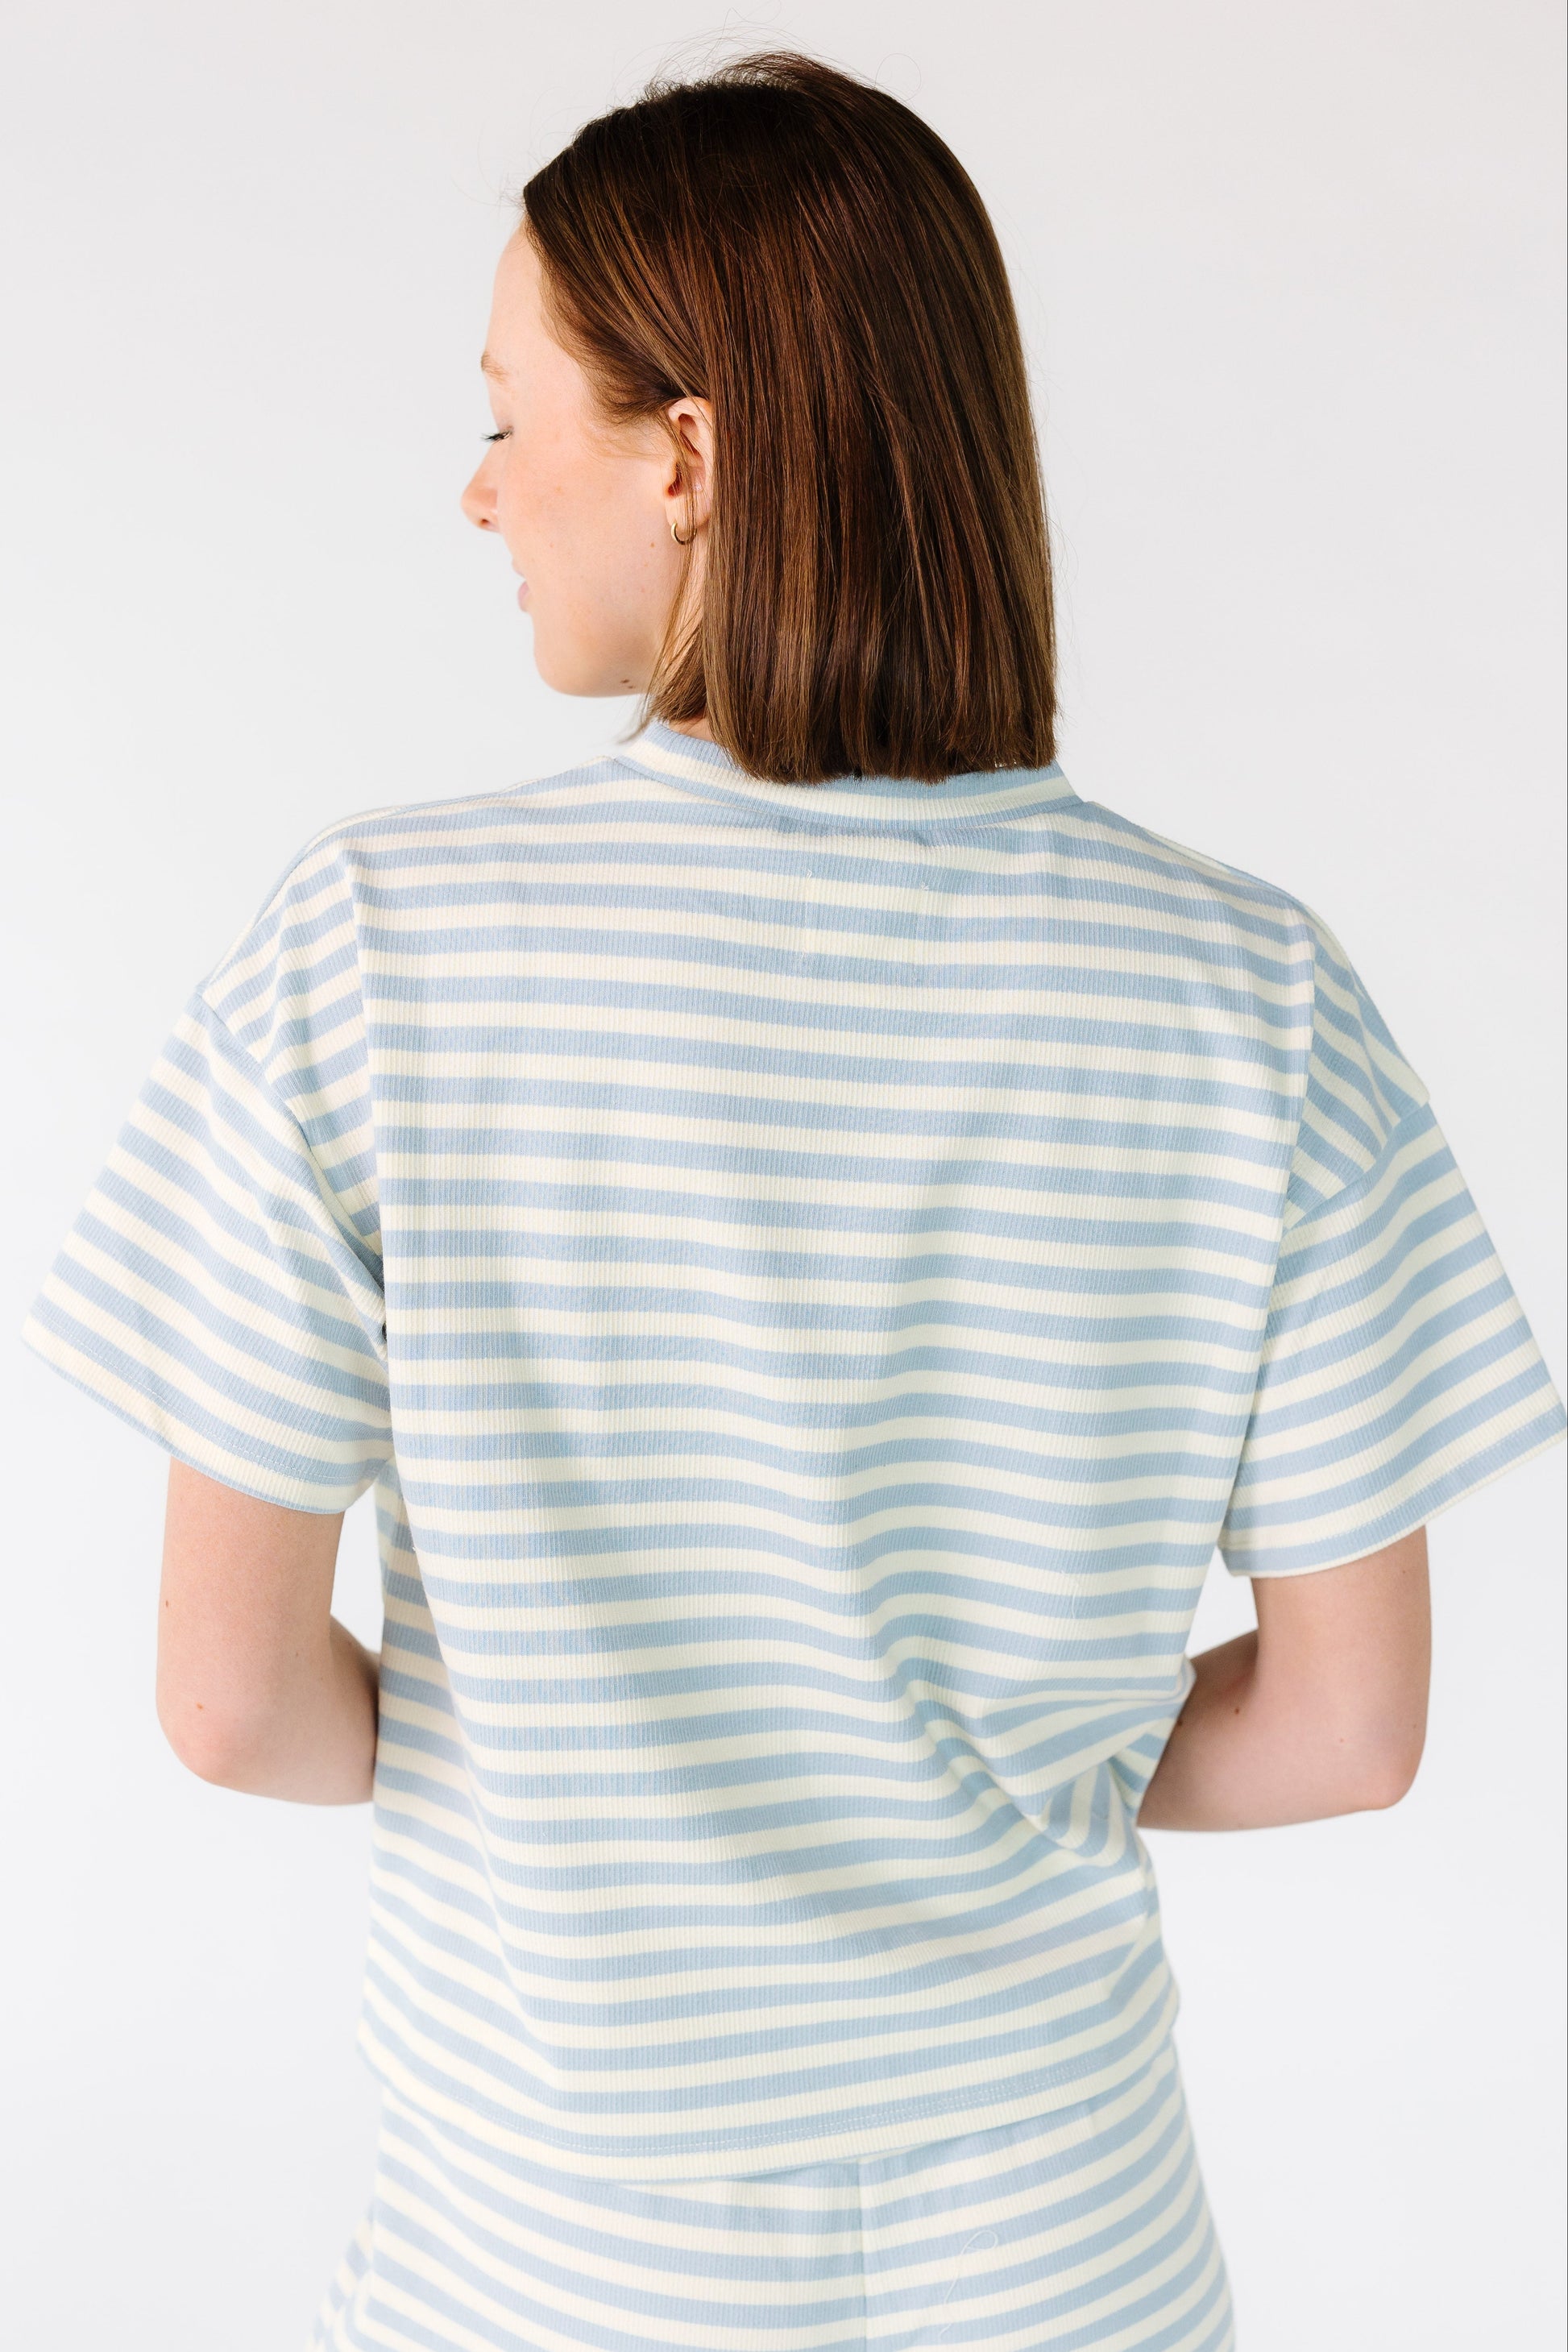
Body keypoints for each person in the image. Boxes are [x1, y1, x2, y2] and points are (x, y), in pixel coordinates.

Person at [21, 51, 1564, 2352]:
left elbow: (234, 1707)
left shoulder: (377, 950)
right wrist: (933, 1784)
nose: (475, 489)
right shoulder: (1249, 994)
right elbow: (1345, 1733)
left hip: (548, 2256)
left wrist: (569, 1778)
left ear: (690, 449)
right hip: (1069, 2256)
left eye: (504, 409)